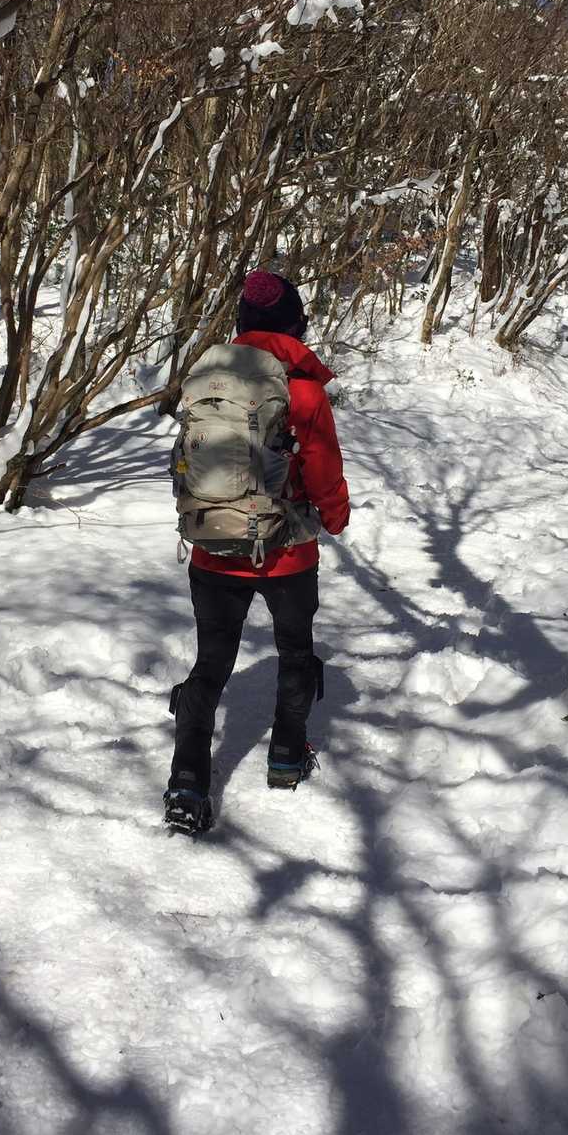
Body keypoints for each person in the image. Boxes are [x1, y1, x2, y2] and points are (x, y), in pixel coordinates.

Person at [165, 271, 350, 832]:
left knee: (211, 662)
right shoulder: (303, 390)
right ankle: (287, 759)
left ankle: (187, 783)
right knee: (295, 653)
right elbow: (322, 470)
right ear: (296, 324)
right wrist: (335, 518)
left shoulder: (208, 379)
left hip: (214, 548)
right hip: (287, 552)